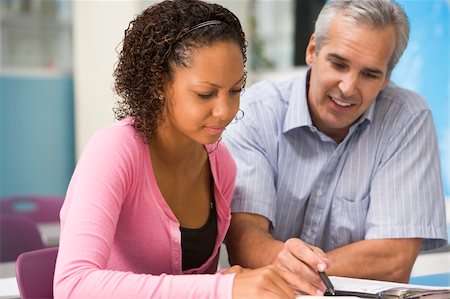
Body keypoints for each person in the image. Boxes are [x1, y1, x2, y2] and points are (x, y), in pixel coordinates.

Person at [53, 0, 331, 298]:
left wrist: (238, 279)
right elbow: (73, 284)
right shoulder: (114, 151)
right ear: (159, 83)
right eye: (205, 94)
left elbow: (192, 286)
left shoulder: (220, 163)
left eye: (235, 90)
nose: (225, 111)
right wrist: (222, 287)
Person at [223, 0, 447, 284]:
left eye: (369, 74)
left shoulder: (408, 118)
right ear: (313, 50)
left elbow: (393, 260)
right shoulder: (257, 111)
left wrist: (288, 266)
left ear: (387, 77)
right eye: (338, 64)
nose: (348, 87)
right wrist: (316, 269)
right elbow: (245, 241)